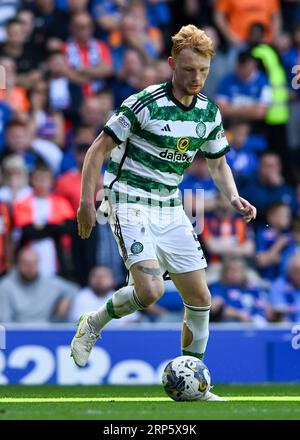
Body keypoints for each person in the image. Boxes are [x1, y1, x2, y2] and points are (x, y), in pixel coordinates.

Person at [71, 25, 256, 401]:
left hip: (170, 205)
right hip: (127, 200)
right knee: (152, 291)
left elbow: (218, 164)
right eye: (188, 70)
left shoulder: (208, 112)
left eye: (202, 71)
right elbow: (96, 151)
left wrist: (234, 197)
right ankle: (93, 323)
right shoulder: (144, 103)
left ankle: (196, 383)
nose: (196, 78)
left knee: (200, 299)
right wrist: (86, 203)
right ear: (173, 64)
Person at [0, 247, 78, 323]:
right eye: (26, 263)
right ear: (17, 264)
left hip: (46, 331)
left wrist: (66, 300)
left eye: (34, 263)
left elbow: (74, 289)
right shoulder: (6, 286)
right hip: (17, 332)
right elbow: (5, 322)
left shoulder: (50, 283)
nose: (30, 267)